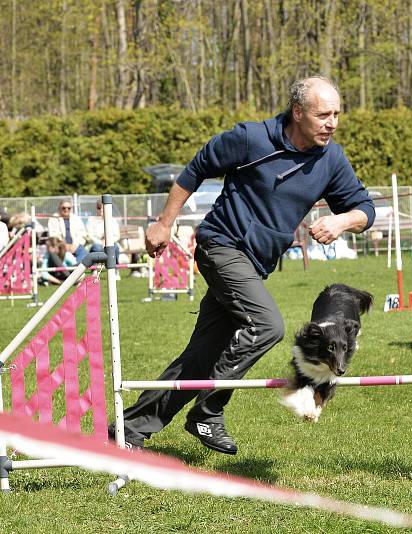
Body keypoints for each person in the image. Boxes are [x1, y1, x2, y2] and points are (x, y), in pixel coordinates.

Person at [114, 76, 375, 455]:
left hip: (255, 264)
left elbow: (365, 209)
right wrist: (165, 222)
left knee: (200, 356)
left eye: (336, 114)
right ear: (297, 112)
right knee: (268, 325)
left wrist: (342, 221)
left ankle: (128, 430)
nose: (331, 123)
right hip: (220, 246)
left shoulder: (330, 158)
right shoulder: (252, 139)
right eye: (323, 115)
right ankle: (209, 410)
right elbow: (194, 170)